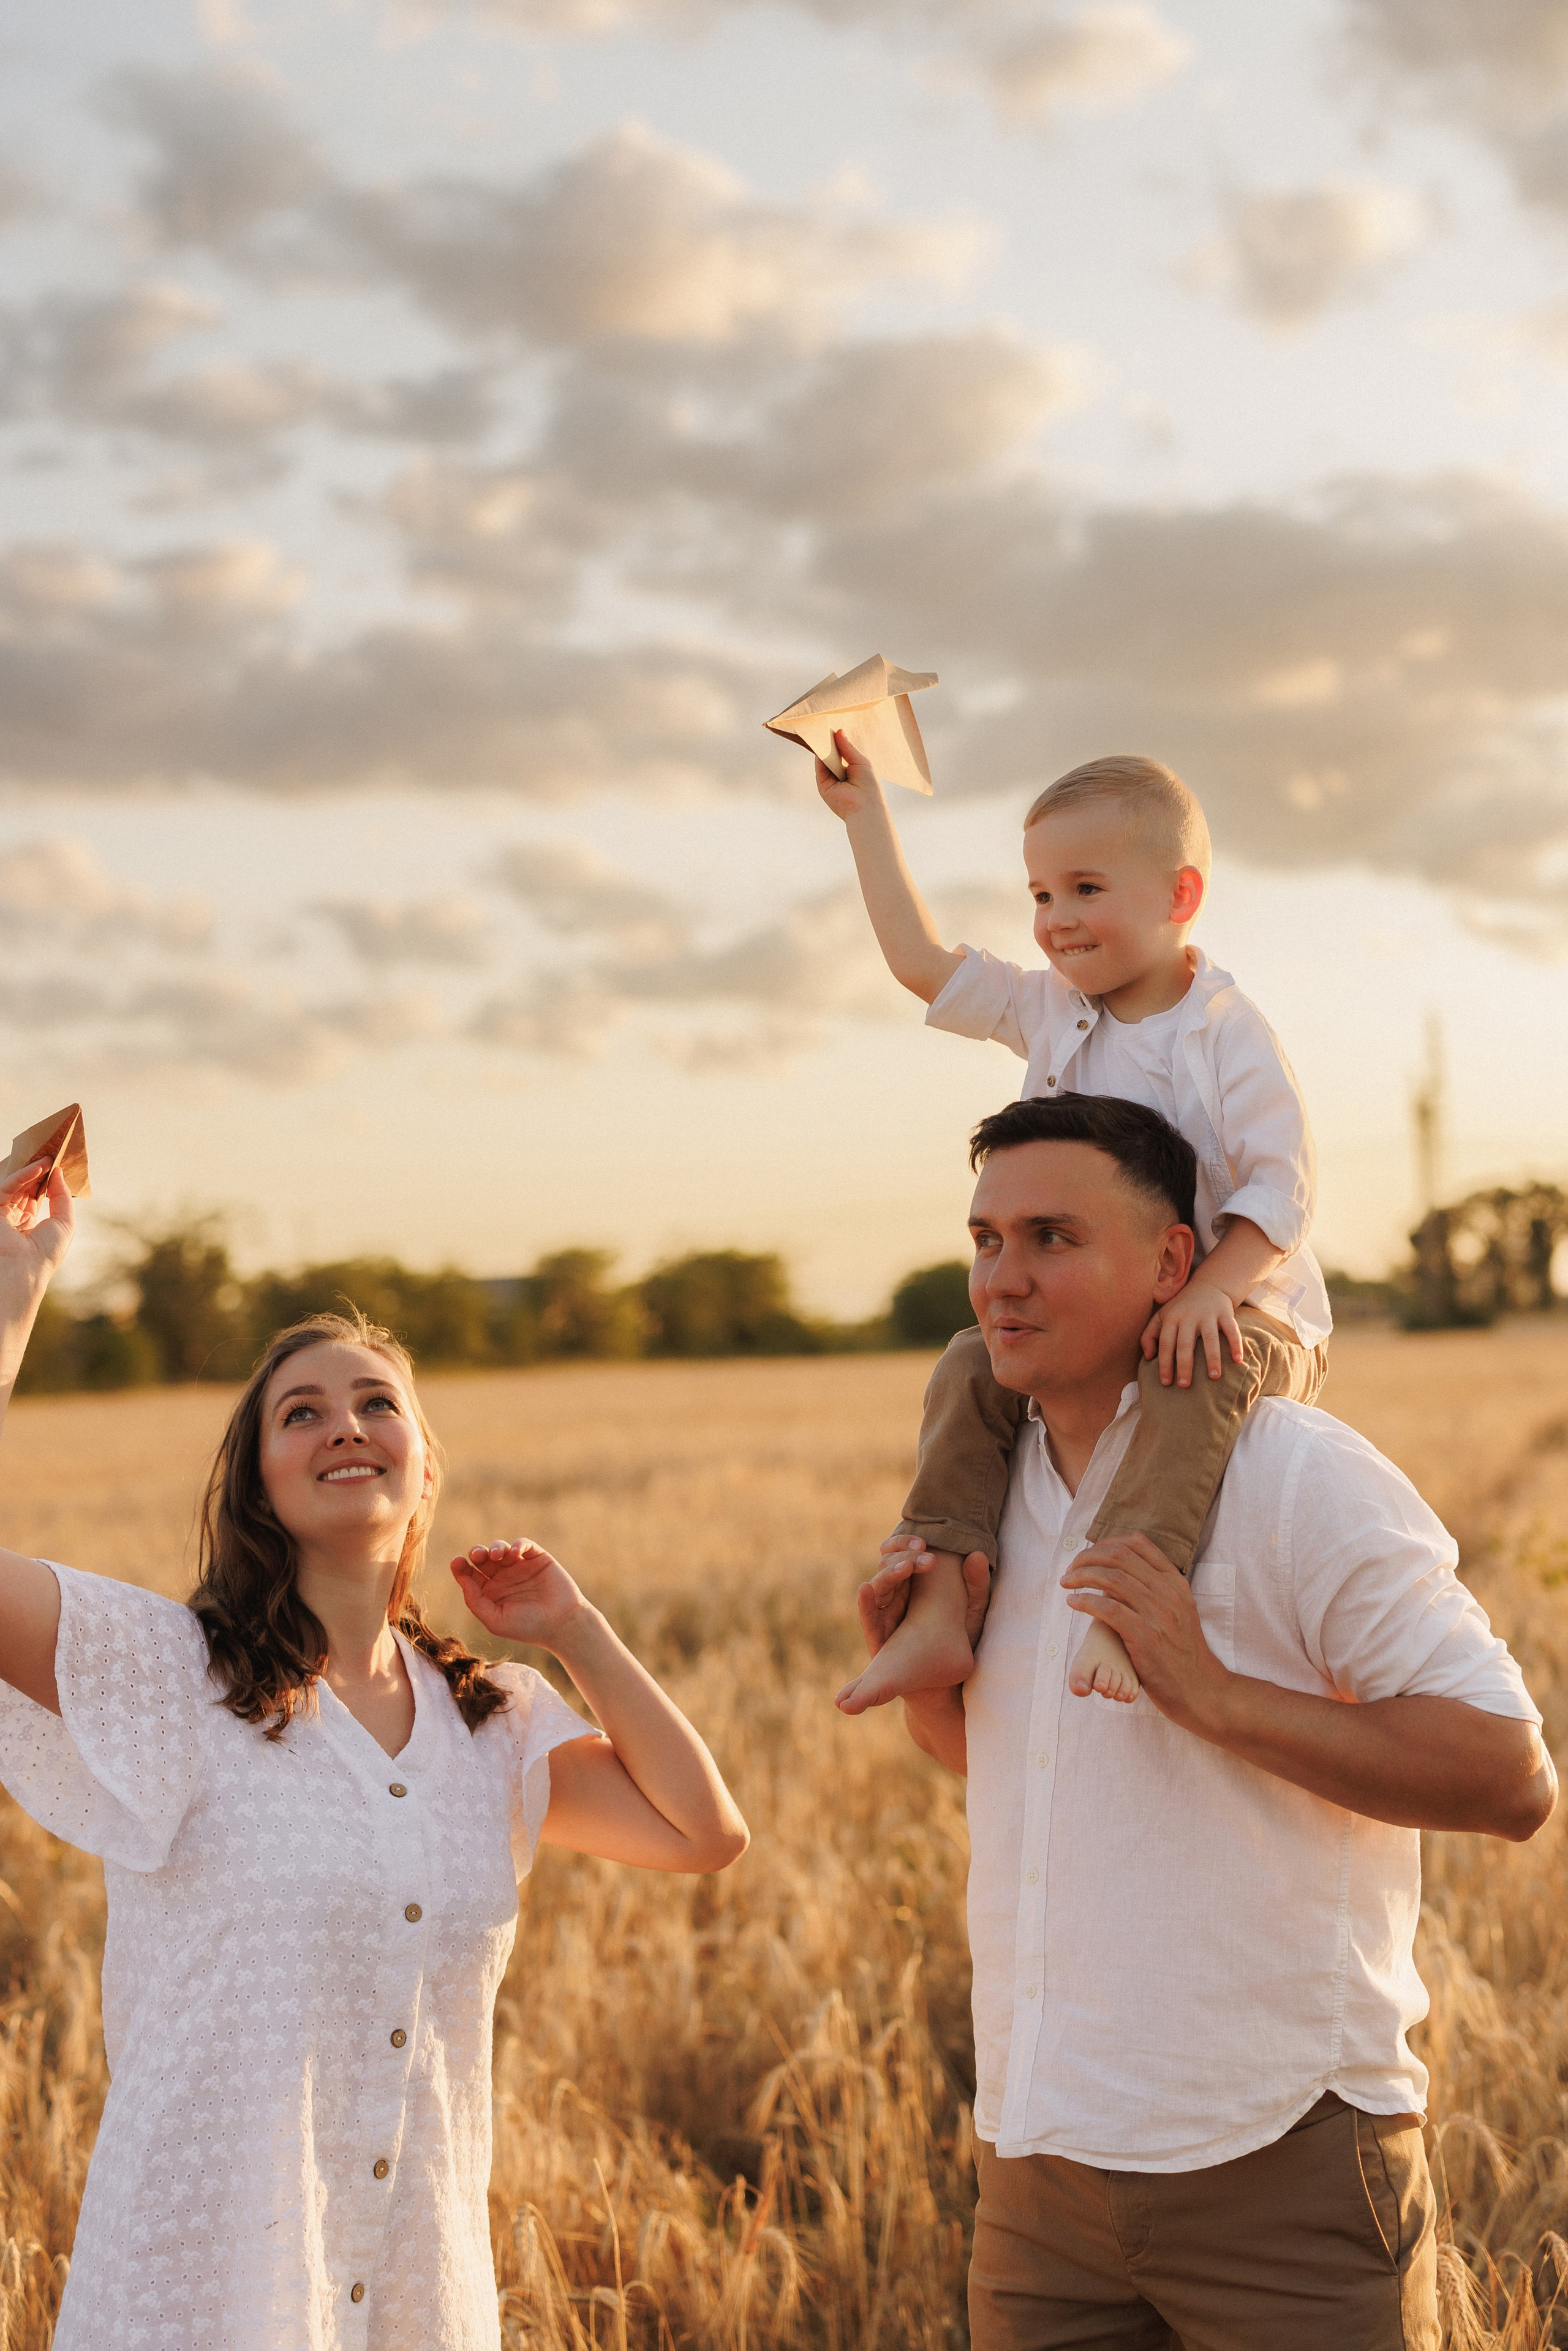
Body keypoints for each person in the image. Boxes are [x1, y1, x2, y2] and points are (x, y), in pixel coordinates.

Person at [0, 1148, 748, 2351]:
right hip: (199, 2299)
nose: (344, 1424)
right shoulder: (169, 1672)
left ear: (424, 1462)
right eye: (301, 1411)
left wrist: (575, 1631)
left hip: (413, 2300)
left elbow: (701, 1833)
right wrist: (13, 1291)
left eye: (376, 1401)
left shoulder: (489, 1721)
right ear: (258, 1479)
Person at [860, 1095, 1555, 2350]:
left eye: (1051, 1237)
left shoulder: (1300, 1475)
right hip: (1037, 2177)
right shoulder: (980, 1495)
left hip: (1279, 2162)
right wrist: (927, 1678)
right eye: (984, 1238)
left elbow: (1506, 1775)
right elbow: (1008, 1766)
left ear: (1173, 1265)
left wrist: (1212, 1692)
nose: (1000, 1279)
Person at [818, 740, 1330, 1715]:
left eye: (1085, 889)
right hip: (1098, 1316)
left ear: (1181, 895)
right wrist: (864, 818)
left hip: (1248, 1311)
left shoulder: (1222, 1030)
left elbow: (1284, 1188)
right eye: (1041, 895)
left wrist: (1213, 1290)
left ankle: (1125, 1608)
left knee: (1201, 1366)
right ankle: (935, 1605)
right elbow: (922, 964)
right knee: (970, 1366)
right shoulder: (1051, 1010)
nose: (1057, 922)